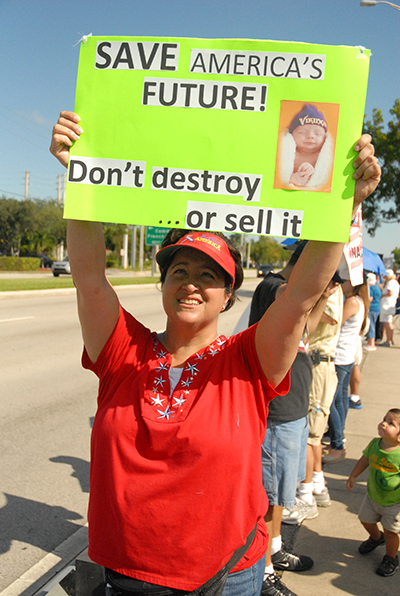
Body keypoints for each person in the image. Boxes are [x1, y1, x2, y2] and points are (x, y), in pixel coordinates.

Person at [50, 110, 380, 596]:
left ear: (229, 297)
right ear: (163, 284)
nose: (191, 284)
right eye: (179, 271)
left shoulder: (249, 358)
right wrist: (80, 177)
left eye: (209, 276)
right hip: (123, 576)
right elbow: (90, 280)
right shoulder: (123, 350)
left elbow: (301, 295)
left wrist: (343, 203)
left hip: (224, 579)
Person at [248, 241, 338, 596]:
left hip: (295, 406)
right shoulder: (273, 287)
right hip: (278, 410)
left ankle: (274, 549)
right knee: (268, 496)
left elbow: (306, 331)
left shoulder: (297, 297)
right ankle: (264, 569)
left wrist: (321, 298)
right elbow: (295, 297)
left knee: (282, 493)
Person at [282, 285, 343, 524]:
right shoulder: (329, 289)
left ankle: (306, 495)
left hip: (320, 366)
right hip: (316, 364)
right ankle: (317, 484)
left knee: (310, 433)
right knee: (313, 433)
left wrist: (313, 300)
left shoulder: (332, 290)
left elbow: (330, 318)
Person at [347, 409, 400, 577]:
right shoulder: (374, 444)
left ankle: (391, 558)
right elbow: (364, 460)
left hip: (393, 503)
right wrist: (353, 475)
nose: (383, 423)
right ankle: (377, 538)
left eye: (391, 423)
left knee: (391, 532)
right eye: (384, 419)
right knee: (365, 520)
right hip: (372, 497)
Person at [323, 278, 370, 464]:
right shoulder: (359, 301)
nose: (342, 284)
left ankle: (337, 445)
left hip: (340, 356)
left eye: (345, 281)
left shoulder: (351, 302)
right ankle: (338, 436)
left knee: (331, 401)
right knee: (341, 400)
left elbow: (335, 322)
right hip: (347, 356)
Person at [278, 104, 334, 190]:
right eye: (302, 132)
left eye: (317, 133)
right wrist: (291, 178)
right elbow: (280, 175)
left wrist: (312, 174)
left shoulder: (324, 156)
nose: (310, 136)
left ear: (325, 138)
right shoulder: (286, 154)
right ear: (292, 136)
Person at [379, 270, 400, 347]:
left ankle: (388, 340)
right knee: (389, 322)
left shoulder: (390, 283)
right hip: (391, 304)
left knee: (387, 323)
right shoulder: (395, 283)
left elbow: (389, 293)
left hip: (387, 304)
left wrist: (382, 295)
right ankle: (390, 339)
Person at [364, 272, 381, 352]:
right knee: (373, 324)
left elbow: (370, 298)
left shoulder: (371, 288)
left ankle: (371, 343)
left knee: (371, 326)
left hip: (372, 308)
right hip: (377, 308)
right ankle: (371, 342)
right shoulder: (377, 287)